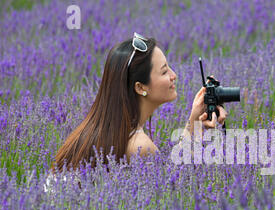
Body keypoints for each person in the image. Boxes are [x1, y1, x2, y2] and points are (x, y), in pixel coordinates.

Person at [44, 32, 228, 192]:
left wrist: (193, 123)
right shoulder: (140, 146)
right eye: (164, 72)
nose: (174, 75)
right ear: (140, 88)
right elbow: (171, 197)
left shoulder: (92, 131)